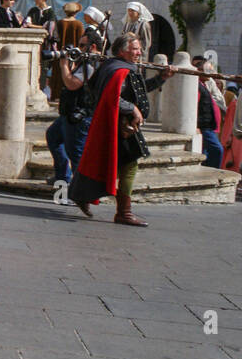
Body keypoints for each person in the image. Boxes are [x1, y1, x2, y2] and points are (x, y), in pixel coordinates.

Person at [68, 31, 173, 226]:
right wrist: (132, 108)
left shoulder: (113, 66)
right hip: (122, 126)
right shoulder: (120, 71)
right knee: (129, 165)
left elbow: (137, 91)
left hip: (117, 123)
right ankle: (123, 212)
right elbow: (112, 97)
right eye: (134, 49)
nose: (139, 53)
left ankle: (81, 194)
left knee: (109, 162)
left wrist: (161, 78)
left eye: (139, 49)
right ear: (123, 51)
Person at [46, 27, 101, 188]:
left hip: (78, 116)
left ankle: (80, 189)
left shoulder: (91, 64)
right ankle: (63, 177)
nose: (79, 48)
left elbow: (72, 84)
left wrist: (63, 64)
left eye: (83, 46)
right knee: (53, 137)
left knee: (76, 153)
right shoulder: (85, 62)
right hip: (69, 113)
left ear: (93, 47)